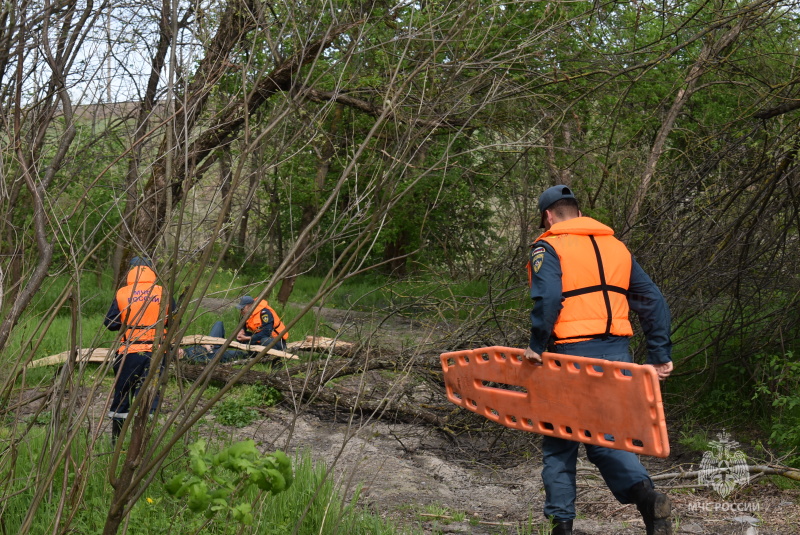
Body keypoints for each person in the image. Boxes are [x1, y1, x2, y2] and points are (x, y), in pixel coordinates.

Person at [524, 185, 674, 535]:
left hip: (571, 357)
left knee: (559, 440)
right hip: (617, 357)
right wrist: (659, 354)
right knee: (607, 437)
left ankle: (562, 525)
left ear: (548, 216)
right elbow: (653, 300)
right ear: (578, 212)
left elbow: (547, 300)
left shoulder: (549, 245)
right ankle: (648, 497)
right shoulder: (616, 247)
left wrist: (536, 344)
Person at [104, 257, 175, 443]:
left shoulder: (123, 293)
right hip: (156, 353)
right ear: (152, 270)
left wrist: (130, 321)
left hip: (129, 352)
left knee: (122, 396)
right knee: (149, 397)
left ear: (131, 270)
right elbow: (174, 321)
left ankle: (116, 442)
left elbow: (110, 323)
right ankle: (143, 443)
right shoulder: (163, 292)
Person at [181, 320, 250, 363]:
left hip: (210, 343)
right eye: (177, 354)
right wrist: (209, 349)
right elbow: (210, 360)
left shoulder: (186, 349)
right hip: (216, 354)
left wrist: (204, 344)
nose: (179, 351)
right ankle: (254, 355)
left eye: (177, 350)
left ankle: (221, 344)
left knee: (218, 324)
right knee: (240, 354)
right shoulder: (191, 359)